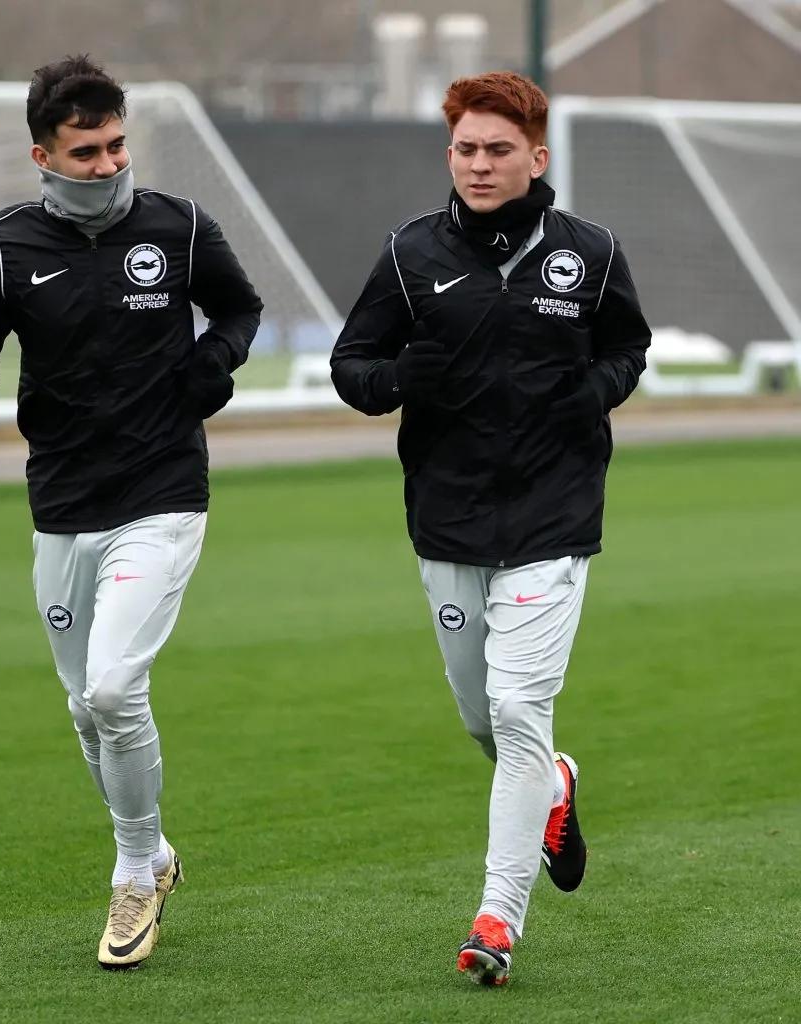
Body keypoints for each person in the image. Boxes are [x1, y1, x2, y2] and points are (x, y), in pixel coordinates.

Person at [0, 54, 262, 970]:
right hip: (63, 504)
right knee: (85, 708)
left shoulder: (178, 227)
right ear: (44, 156)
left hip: (162, 495)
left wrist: (213, 363)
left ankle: (130, 875)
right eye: (87, 152)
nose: (109, 164)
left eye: (118, 145)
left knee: (115, 689)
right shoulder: (8, 245)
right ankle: (157, 853)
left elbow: (239, 310)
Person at [329, 71, 650, 985]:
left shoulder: (589, 253)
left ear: (535, 157)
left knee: (516, 711)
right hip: (448, 518)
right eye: (466, 149)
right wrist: (404, 379)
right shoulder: (410, 254)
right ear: (450, 155)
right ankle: (554, 784)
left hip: (555, 513)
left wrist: (591, 394)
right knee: (485, 719)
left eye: (498, 150)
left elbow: (628, 347)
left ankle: (496, 922)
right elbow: (352, 366)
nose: (479, 164)